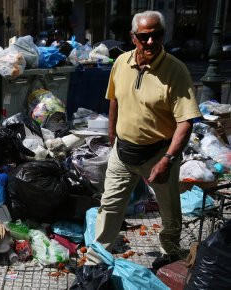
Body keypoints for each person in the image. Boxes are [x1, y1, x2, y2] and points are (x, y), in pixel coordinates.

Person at [86, 10, 202, 270]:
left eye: (157, 35)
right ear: (133, 37)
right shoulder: (121, 63)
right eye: (144, 36)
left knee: (170, 210)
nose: (150, 42)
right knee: (109, 207)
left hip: (158, 154)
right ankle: (95, 263)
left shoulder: (175, 71)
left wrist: (168, 159)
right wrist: (112, 136)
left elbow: (186, 121)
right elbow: (114, 99)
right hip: (123, 152)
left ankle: (170, 252)